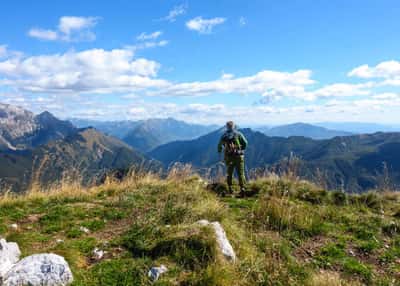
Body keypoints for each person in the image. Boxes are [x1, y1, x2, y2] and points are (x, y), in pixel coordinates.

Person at [217, 121, 248, 197]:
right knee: (240, 173)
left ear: (226, 127)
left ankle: (230, 188)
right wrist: (241, 150)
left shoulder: (224, 136)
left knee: (229, 173)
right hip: (238, 156)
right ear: (234, 126)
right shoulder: (238, 134)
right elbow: (245, 143)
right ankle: (242, 188)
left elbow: (219, 146)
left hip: (229, 157)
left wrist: (221, 151)